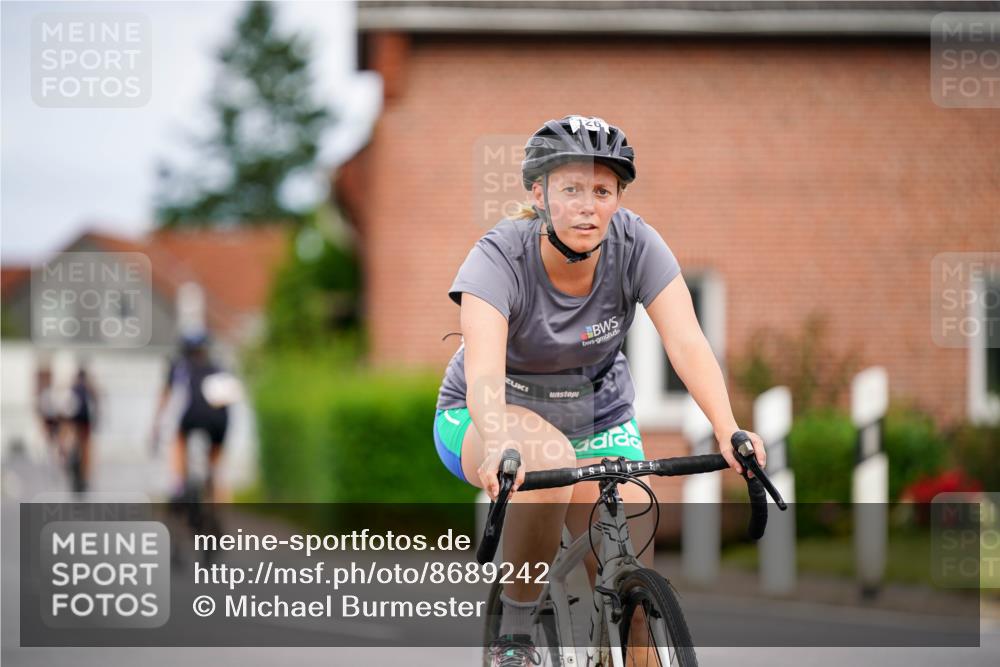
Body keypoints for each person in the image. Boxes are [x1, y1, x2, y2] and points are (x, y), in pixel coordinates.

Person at [433, 115, 767, 665]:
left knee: (633, 590)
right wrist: (496, 438)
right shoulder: (498, 256)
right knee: (544, 460)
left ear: (618, 198)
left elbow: (685, 341)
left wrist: (728, 428)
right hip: (489, 416)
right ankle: (513, 636)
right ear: (538, 194)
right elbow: (486, 373)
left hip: (598, 417)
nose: (587, 205)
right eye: (570, 189)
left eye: (602, 191)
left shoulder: (637, 245)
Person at [154, 332, 230, 502]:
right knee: (216, 463)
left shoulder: (179, 366)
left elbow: (166, 396)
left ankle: (178, 484)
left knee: (179, 441)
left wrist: (156, 423)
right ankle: (218, 500)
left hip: (190, 415)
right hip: (219, 419)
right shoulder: (218, 366)